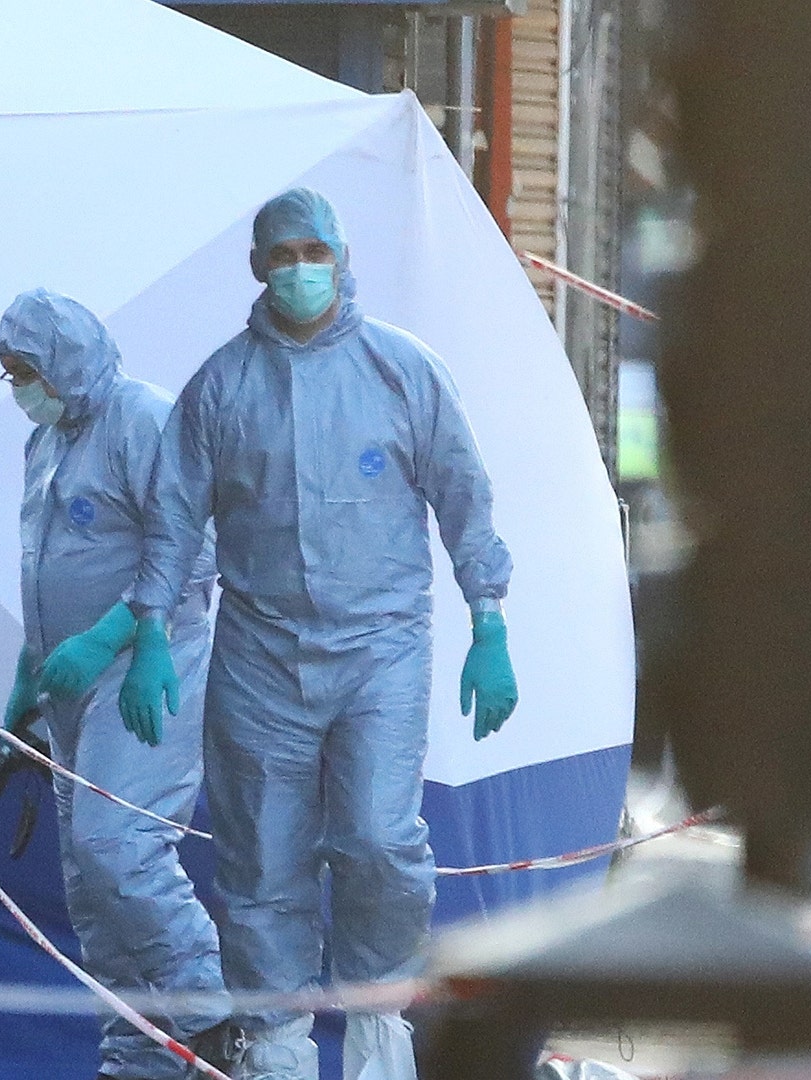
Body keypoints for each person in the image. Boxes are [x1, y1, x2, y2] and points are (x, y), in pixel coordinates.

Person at [119, 188, 519, 1080]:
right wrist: (149, 628)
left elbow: (464, 495)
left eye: (314, 252)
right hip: (260, 654)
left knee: (378, 837)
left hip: (382, 648)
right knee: (260, 853)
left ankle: (379, 1018)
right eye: (281, 254)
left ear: (341, 256)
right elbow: (173, 516)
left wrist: (487, 622)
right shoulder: (221, 386)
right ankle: (276, 1044)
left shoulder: (403, 371)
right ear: (258, 268)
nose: (300, 269)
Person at [0, 288, 240, 1080]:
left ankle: (207, 1017)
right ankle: (137, 1056)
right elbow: (47, 561)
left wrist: (104, 640)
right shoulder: (51, 442)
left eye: (26, 370)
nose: (19, 388)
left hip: (143, 667)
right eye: (8, 374)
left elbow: (194, 551)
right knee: (91, 888)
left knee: (119, 847)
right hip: (69, 687)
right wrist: (28, 675)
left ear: (66, 360)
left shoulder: (142, 421)